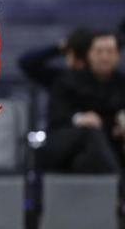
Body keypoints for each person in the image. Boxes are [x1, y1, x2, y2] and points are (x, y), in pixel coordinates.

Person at [40, 31, 124, 174]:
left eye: (110, 52)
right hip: (64, 142)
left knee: (86, 159)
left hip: (100, 150)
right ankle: (118, 187)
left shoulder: (121, 83)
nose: (104, 57)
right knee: (91, 132)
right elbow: (57, 116)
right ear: (89, 54)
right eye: (99, 52)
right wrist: (79, 118)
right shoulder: (66, 79)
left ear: (118, 56)